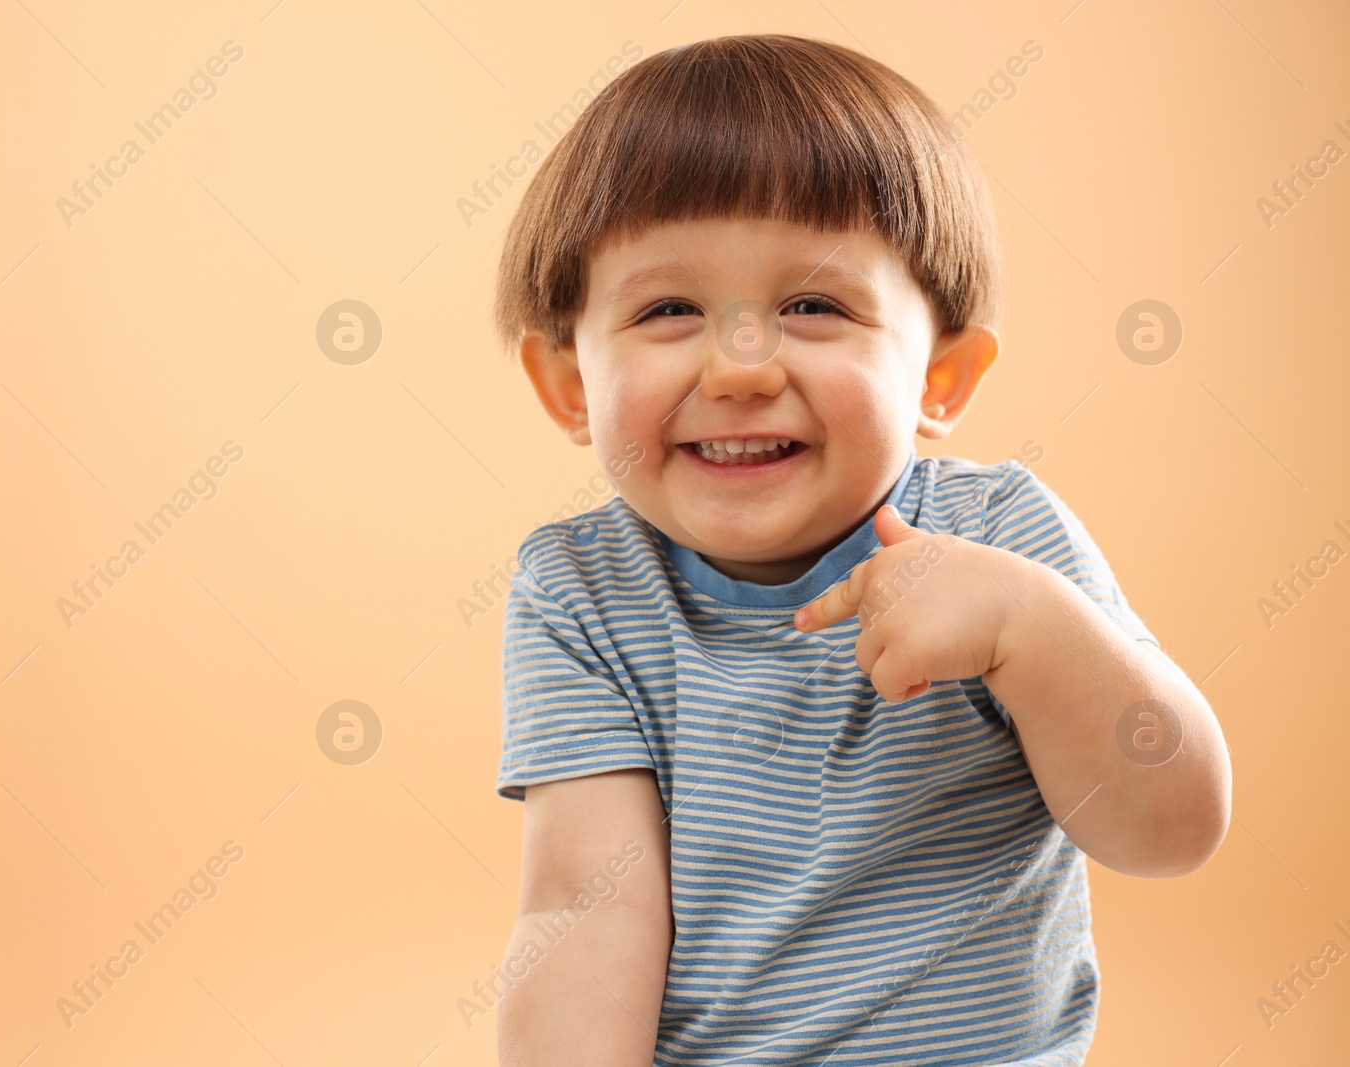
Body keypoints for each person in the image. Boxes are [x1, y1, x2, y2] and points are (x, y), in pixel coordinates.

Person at [488, 33, 1231, 1066]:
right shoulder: (580, 594)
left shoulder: (995, 536)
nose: (740, 365)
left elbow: (1171, 828)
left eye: (812, 305)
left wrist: (1032, 632)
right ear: (569, 383)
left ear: (941, 376)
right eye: (668, 309)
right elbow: (582, 909)